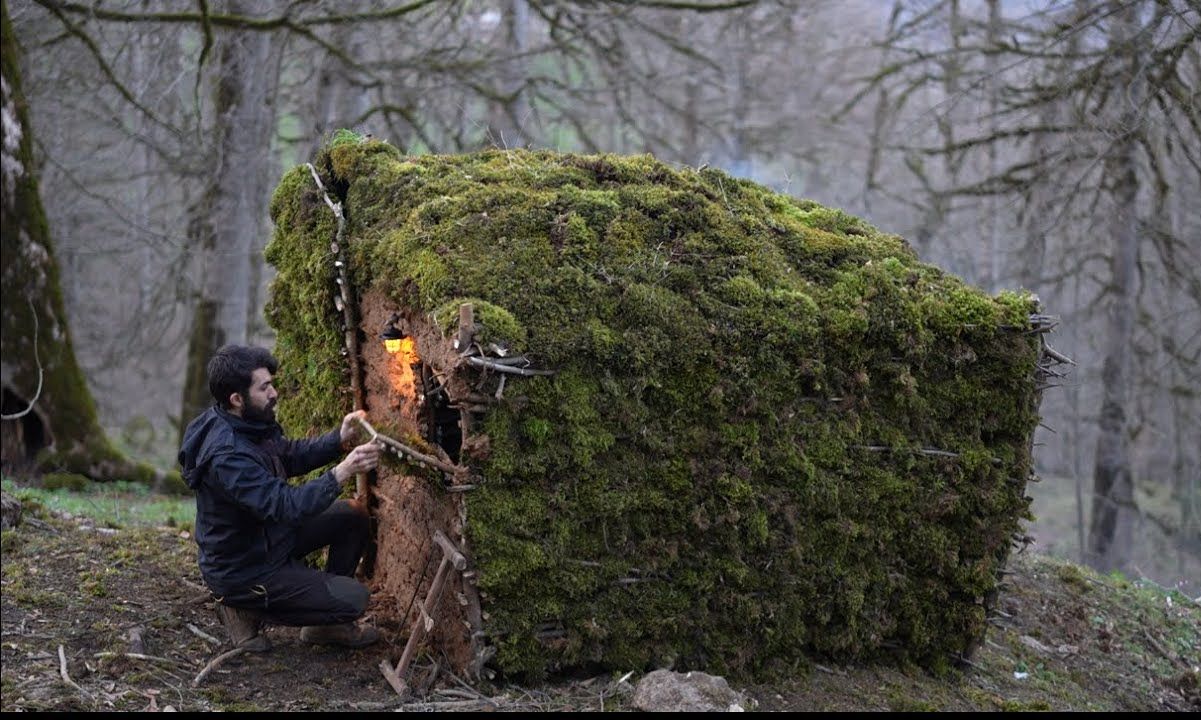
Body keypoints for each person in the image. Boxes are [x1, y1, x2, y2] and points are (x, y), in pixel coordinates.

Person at [178, 344, 383, 651]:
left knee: (352, 516)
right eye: (264, 387)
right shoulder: (228, 456)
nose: (273, 392)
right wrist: (341, 472)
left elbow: (286, 455)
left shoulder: (246, 422)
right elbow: (286, 506)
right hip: (245, 569)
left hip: (268, 537)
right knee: (354, 598)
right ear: (236, 398)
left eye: (271, 383)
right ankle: (242, 607)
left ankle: (325, 627)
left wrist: (337, 441)